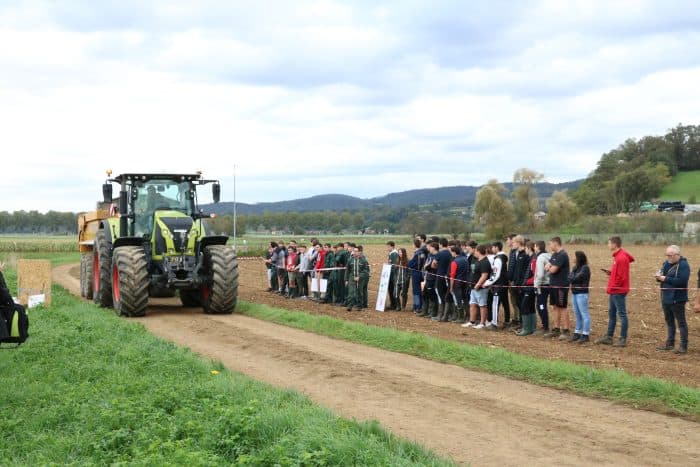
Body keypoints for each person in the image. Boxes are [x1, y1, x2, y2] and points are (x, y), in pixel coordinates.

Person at [596, 236, 635, 347]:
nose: (608, 245)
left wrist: (614, 286)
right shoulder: (618, 256)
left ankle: (622, 339)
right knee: (612, 314)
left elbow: (621, 277)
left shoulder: (621, 258)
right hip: (614, 290)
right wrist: (611, 273)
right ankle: (609, 336)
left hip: (618, 291)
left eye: (609, 243)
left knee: (622, 314)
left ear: (614, 245)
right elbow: (618, 273)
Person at [655, 245, 690, 354]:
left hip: (677, 298)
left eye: (670, 255)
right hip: (666, 297)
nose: (668, 257)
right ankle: (670, 344)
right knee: (669, 321)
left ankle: (683, 346)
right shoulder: (666, 264)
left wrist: (665, 278)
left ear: (677, 255)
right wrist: (658, 276)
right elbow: (662, 276)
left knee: (681, 322)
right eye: (667, 255)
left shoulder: (684, 265)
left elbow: (682, 281)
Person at [545, 237, 571, 340]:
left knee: (562, 307)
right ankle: (556, 329)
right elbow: (548, 265)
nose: (549, 246)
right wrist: (549, 267)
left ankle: (566, 330)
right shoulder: (555, 255)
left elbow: (553, 270)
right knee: (555, 307)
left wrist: (549, 267)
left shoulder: (562, 255)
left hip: (561, 286)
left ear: (556, 244)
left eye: (550, 244)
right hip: (553, 285)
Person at [463, 244, 492, 329]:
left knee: (482, 305)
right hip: (473, 287)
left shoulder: (485, 262)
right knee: (472, 304)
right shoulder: (477, 260)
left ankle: (483, 323)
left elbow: (484, 275)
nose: (475, 252)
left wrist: (477, 285)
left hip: (480, 288)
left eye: (476, 250)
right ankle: (472, 321)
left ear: (479, 251)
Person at [569, 251, 591, 343]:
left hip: (581, 293)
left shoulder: (585, 268)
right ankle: (577, 332)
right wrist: (572, 278)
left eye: (574, 256)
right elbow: (570, 278)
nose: (573, 258)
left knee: (584, 314)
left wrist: (572, 278)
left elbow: (575, 278)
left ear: (578, 258)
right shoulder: (575, 268)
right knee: (577, 314)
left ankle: (585, 334)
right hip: (574, 293)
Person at [484, 241, 508, 330]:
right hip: (502, 284)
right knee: (501, 303)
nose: (491, 249)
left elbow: (495, 274)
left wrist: (487, 283)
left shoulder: (498, 259)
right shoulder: (501, 257)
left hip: (498, 285)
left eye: (493, 247)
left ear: (496, 248)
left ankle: (494, 323)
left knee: (495, 303)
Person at [516, 241, 537, 336]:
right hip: (529, 287)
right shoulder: (531, 258)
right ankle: (532, 328)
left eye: (526, 248)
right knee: (531, 307)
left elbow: (535, 275)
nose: (525, 250)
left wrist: (526, 282)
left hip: (530, 287)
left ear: (529, 248)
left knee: (525, 306)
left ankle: (527, 328)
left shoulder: (533, 260)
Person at [509, 236, 529, 331]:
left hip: (522, 284)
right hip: (515, 284)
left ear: (519, 243)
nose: (512, 244)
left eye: (513, 242)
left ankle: (525, 324)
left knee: (522, 304)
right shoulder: (516, 253)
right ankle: (521, 323)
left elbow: (525, 271)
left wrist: (522, 283)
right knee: (518, 303)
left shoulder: (525, 254)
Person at [432, 238, 453, 322]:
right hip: (447, 277)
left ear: (440, 244)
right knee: (447, 295)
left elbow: (433, 265)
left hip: (440, 276)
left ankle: (440, 315)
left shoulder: (439, 254)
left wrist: (438, 266)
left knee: (440, 296)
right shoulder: (450, 253)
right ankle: (447, 315)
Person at [532, 240, 551, 335]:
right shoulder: (550, 256)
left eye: (535, 246)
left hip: (541, 285)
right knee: (542, 305)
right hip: (549, 284)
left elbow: (540, 274)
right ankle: (545, 324)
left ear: (538, 247)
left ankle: (545, 326)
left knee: (540, 305)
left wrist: (536, 285)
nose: (534, 248)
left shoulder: (540, 257)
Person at [449, 245, 469, 323]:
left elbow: (452, 275)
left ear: (454, 252)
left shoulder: (454, 262)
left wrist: (451, 287)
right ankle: (467, 316)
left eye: (451, 252)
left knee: (458, 299)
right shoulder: (465, 259)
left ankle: (460, 318)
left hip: (457, 282)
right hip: (465, 281)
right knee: (465, 298)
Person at [506, 234, 522, 330]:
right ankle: (516, 319)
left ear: (513, 240)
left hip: (515, 281)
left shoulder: (517, 252)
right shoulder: (512, 251)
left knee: (517, 301)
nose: (507, 242)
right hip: (511, 280)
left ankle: (519, 320)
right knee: (513, 301)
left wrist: (512, 279)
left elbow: (514, 267)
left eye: (507, 239)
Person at [346, 247, 368, 311]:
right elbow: (347, 270)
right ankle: (350, 306)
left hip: (360, 279)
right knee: (351, 292)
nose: (354, 253)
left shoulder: (363, 260)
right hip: (351, 278)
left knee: (359, 293)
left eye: (356, 251)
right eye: (354, 251)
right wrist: (346, 280)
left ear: (359, 252)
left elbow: (365, 271)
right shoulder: (350, 260)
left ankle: (359, 306)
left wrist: (360, 277)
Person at [420, 242, 439, 319]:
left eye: (430, 247)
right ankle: (425, 311)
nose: (428, 248)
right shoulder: (429, 255)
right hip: (426, 277)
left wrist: (427, 266)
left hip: (432, 278)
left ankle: (433, 312)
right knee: (425, 294)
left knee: (432, 296)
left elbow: (429, 266)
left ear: (434, 247)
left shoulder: (437, 256)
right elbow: (425, 266)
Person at [408, 239, 427, 313]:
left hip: (416, 273)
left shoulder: (417, 253)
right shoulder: (422, 253)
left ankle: (417, 307)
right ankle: (421, 306)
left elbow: (411, 264)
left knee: (416, 291)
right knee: (421, 290)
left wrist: (409, 262)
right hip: (422, 273)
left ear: (415, 245)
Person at [386, 241, 400, 310]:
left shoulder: (394, 254)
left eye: (388, 246)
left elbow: (394, 266)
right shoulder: (391, 253)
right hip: (391, 274)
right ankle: (393, 304)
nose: (387, 248)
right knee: (391, 289)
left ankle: (394, 305)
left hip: (393, 275)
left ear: (392, 246)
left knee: (392, 289)